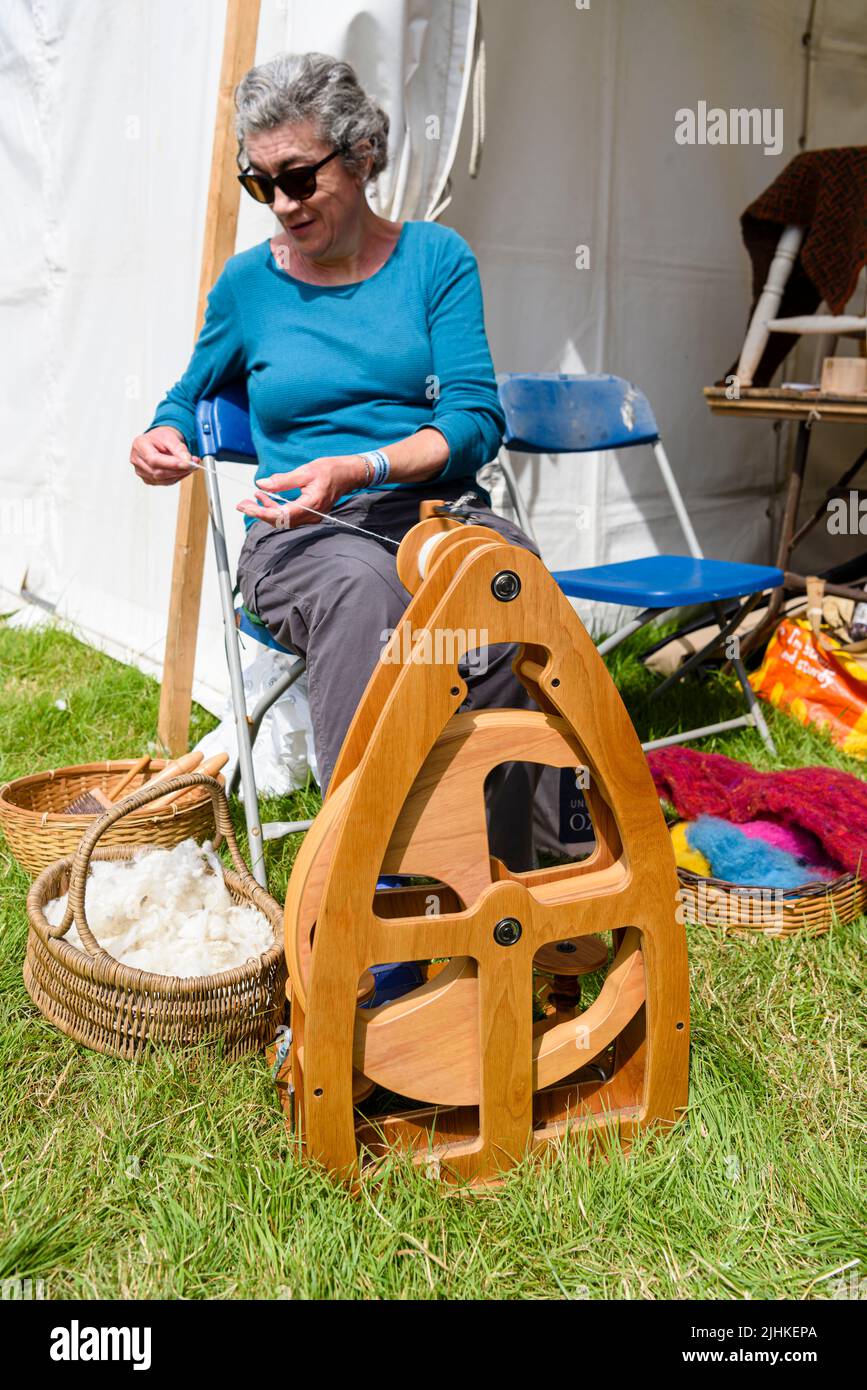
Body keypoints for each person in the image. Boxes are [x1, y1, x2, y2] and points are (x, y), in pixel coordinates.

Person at [130, 51, 546, 869]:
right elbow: (186, 397)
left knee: (505, 579)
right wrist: (160, 435)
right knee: (362, 590)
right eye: (260, 184)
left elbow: (473, 421)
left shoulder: (435, 260)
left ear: (360, 155)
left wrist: (361, 467)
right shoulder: (248, 286)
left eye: (297, 178)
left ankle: (517, 857)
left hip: (430, 512)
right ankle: (370, 871)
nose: (281, 204)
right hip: (300, 532)